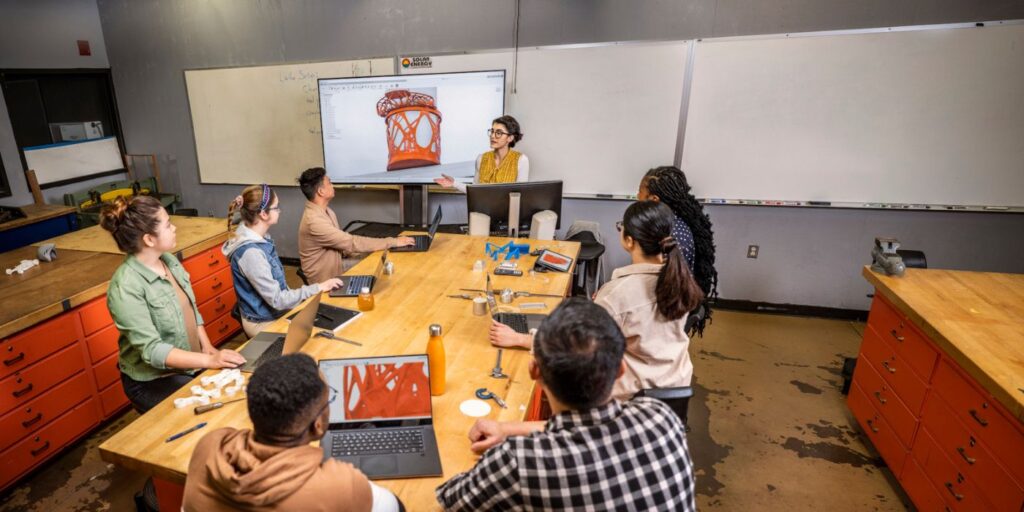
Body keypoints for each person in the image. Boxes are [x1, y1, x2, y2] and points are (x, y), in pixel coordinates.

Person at [436, 298, 696, 511]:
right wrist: (508, 429)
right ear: (620, 370)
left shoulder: (519, 463)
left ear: (534, 371)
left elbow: (450, 500)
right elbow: (585, 428)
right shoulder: (661, 417)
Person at [489, 201, 703, 401]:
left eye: (621, 227)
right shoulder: (678, 279)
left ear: (629, 240)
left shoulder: (618, 294)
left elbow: (576, 347)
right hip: (675, 386)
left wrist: (519, 338)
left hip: (633, 397)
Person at [184, 353, 404, 511]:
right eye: (330, 400)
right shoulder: (339, 485)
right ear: (317, 425)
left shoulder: (210, 446)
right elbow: (394, 506)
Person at [101, 196, 245, 413]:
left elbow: (191, 309)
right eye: (168, 224)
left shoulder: (169, 261)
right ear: (149, 239)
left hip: (190, 366)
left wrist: (208, 349)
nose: (174, 228)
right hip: (152, 381)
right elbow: (153, 351)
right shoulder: (125, 287)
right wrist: (209, 361)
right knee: (215, 412)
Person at [223, 183, 343, 337]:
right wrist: (318, 287)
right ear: (263, 214)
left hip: (275, 311)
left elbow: (246, 214)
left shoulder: (250, 229)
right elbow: (278, 300)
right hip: (264, 321)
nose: (279, 210)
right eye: (276, 207)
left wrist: (243, 204)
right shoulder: (251, 253)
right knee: (317, 339)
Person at [297, 167, 414, 283]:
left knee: (378, 255)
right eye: (329, 183)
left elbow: (342, 244)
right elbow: (351, 242)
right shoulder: (314, 221)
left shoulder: (327, 211)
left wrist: (368, 250)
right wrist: (393, 241)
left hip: (338, 263)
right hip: (326, 278)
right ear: (321, 191)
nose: (333, 185)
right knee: (376, 263)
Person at [638, 165, 719, 335]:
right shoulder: (674, 223)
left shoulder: (672, 237)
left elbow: (659, 294)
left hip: (666, 318)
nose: (637, 199)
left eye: (639, 195)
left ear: (653, 200)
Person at [434, 115, 530, 193]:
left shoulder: (521, 160)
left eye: (499, 133)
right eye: (492, 131)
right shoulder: (481, 158)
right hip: (484, 213)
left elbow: (520, 196)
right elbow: (475, 190)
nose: (492, 136)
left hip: (508, 214)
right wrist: (454, 183)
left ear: (510, 138)